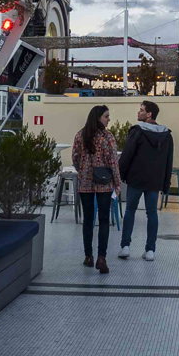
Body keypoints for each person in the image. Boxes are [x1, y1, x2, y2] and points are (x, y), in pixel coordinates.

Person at [117, 100, 173, 262]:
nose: (138, 113)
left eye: (141, 110)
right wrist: (165, 183)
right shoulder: (166, 136)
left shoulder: (137, 132)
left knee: (130, 211)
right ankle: (150, 250)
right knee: (152, 213)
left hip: (136, 178)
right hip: (154, 181)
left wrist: (119, 174)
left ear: (149, 114)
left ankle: (125, 247)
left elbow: (127, 155)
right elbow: (169, 161)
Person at [71, 104, 121, 274]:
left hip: (85, 182)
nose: (109, 119)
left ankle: (88, 257)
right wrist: (117, 182)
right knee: (104, 220)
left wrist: (83, 170)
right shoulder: (107, 137)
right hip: (104, 183)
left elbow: (75, 158)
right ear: (98, 117)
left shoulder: (80, 135)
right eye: (106, 116)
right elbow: (113, 161)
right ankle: (102, 257)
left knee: (88, 220)